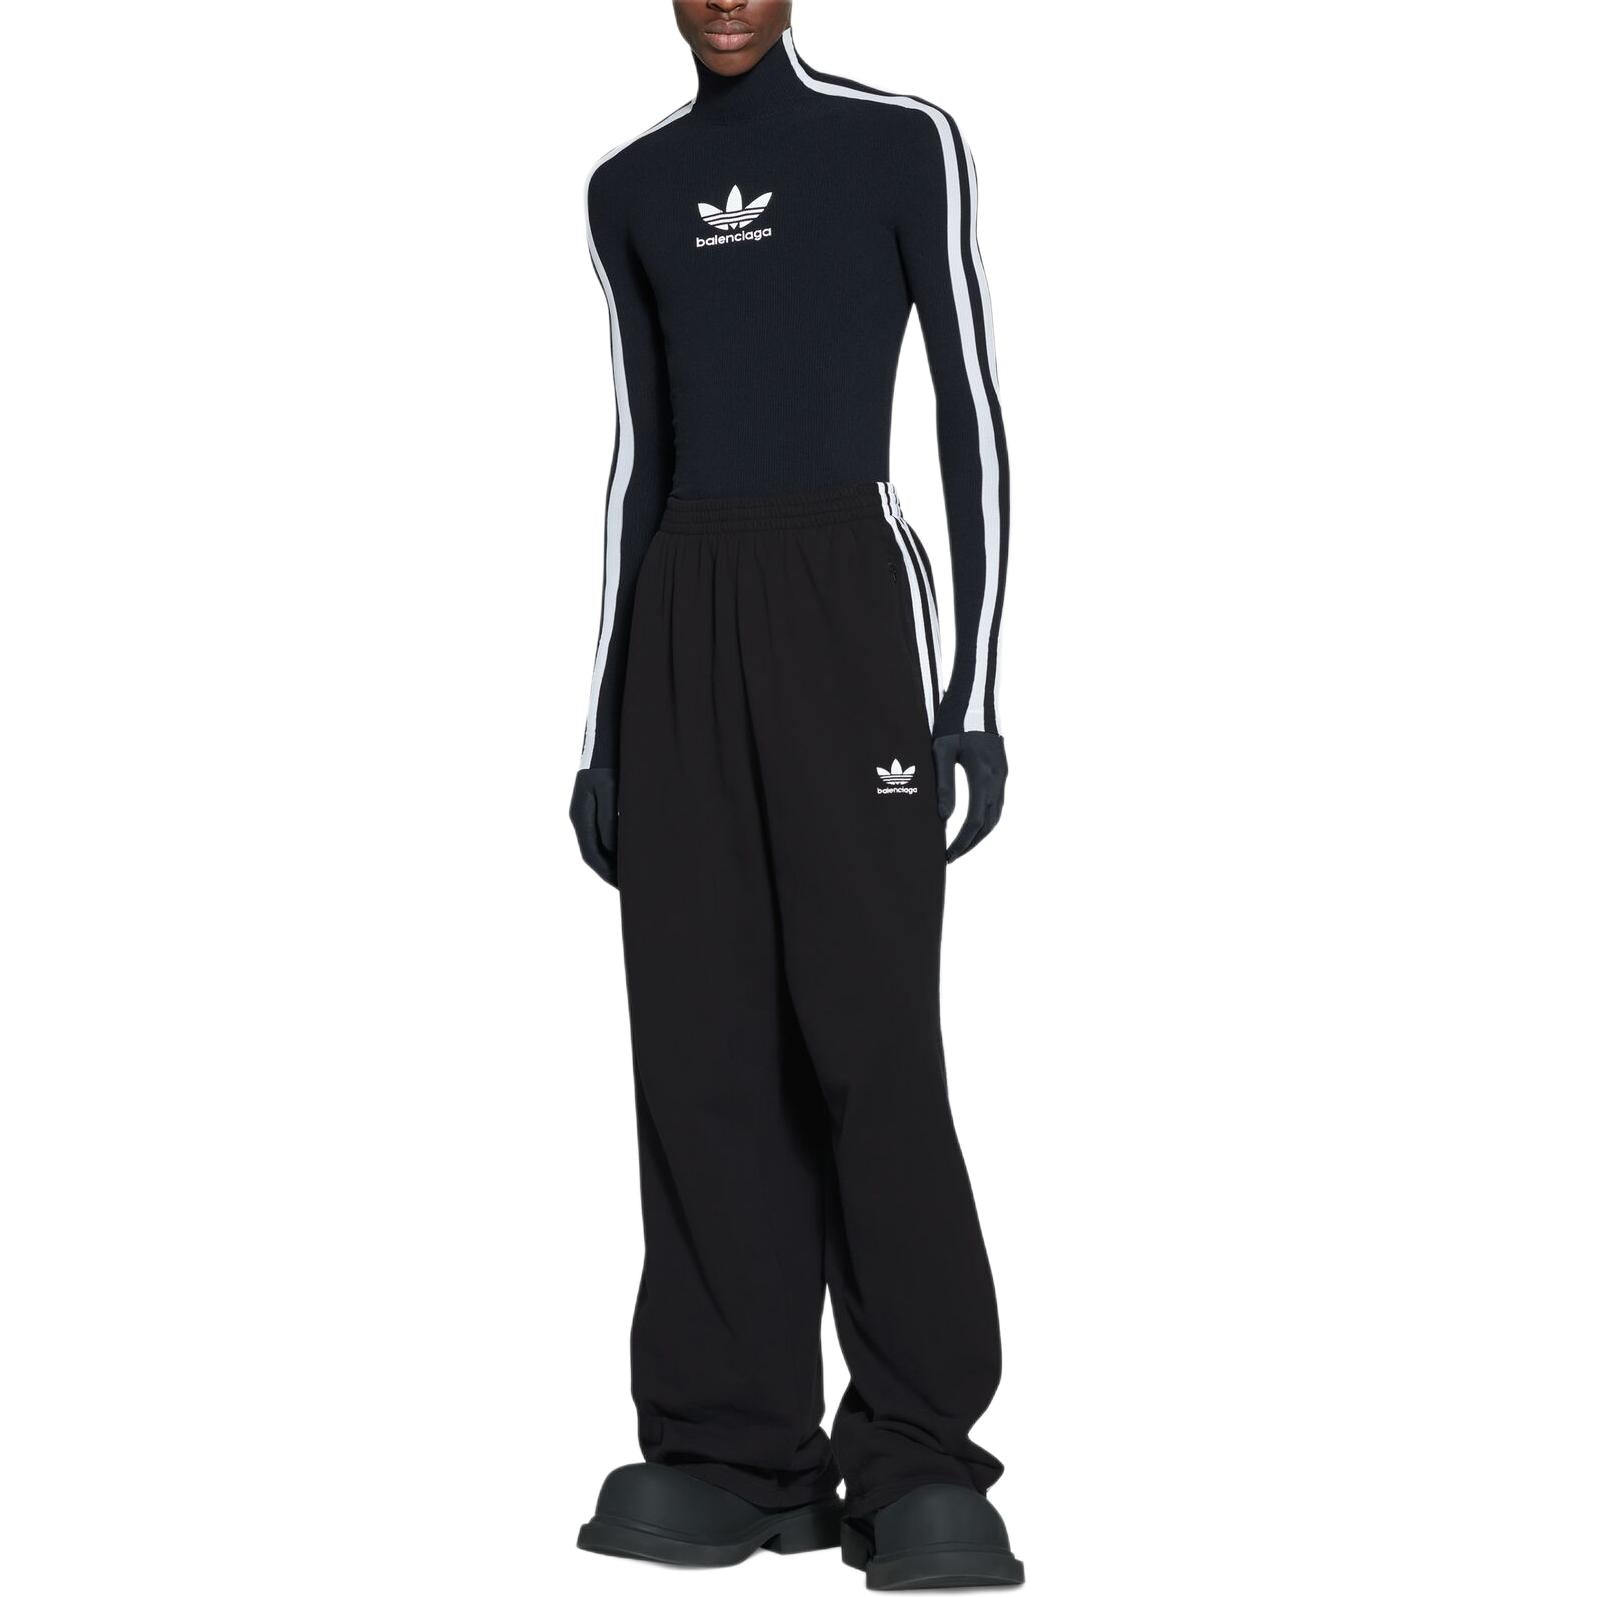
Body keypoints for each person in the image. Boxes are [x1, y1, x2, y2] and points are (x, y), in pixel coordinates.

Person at [568, 2, 1020, 1586]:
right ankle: (729, 1443)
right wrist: (605, 727)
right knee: (699, 1046)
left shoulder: (897, 145)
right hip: (682, 613)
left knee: (868, 1042)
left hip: (846, 604)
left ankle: (915, 1453)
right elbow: (638, 458)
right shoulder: (629, 188)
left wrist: (970, 697)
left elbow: (968, 415)